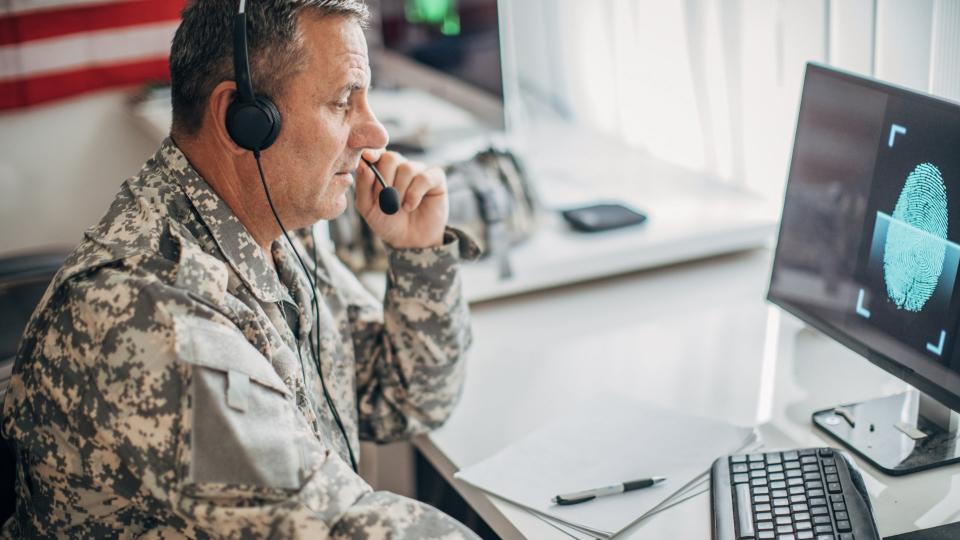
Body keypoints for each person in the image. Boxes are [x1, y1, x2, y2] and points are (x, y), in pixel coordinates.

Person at [1, 1, 482, 537]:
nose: (376, 134)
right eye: (344, 101)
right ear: (244, 119)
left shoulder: (279, 232)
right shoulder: (145, 316)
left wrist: (420, 256)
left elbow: (404, 399)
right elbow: (338, 527)